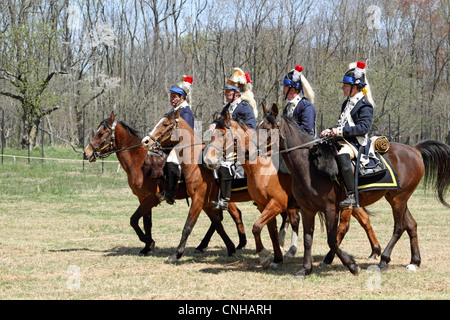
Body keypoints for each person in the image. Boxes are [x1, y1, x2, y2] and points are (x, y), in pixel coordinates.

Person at [320, 61, 375, 209]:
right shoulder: (346, 103)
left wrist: (340, 131)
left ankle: (351, 195)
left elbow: (363, 128)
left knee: (343, 155)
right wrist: (330, 130)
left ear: (354, 87)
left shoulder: (365, 105)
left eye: (345, 85)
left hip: (356, 143)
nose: (342, 87)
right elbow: (342, 123)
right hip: (343, 139)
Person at [210, 67, 257, 210]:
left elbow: (251, 129)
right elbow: (220, 122)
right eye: (225, 91)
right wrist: (213, 124)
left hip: (241, 146)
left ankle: (225, 199)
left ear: (236, 93)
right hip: (226, 144)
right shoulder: (227, 107)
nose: (225, 94)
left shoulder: (245, 107)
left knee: (225, 164)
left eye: (228, 91)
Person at [157, 75, 195, 205]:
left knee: (171, 161)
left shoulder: (185, 111)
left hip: (184, 146)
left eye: (175, 96)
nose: (172, 98)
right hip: (171, 144)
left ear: (181, 98)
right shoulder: (172, 111)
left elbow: (186, 133)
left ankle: (171, 194)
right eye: (171, 96)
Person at [282, 65, 317, 136]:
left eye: (285, 88)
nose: (283, 91)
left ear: (292, 90)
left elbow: (307, 130)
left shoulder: (306, 106)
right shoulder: (287, 108)